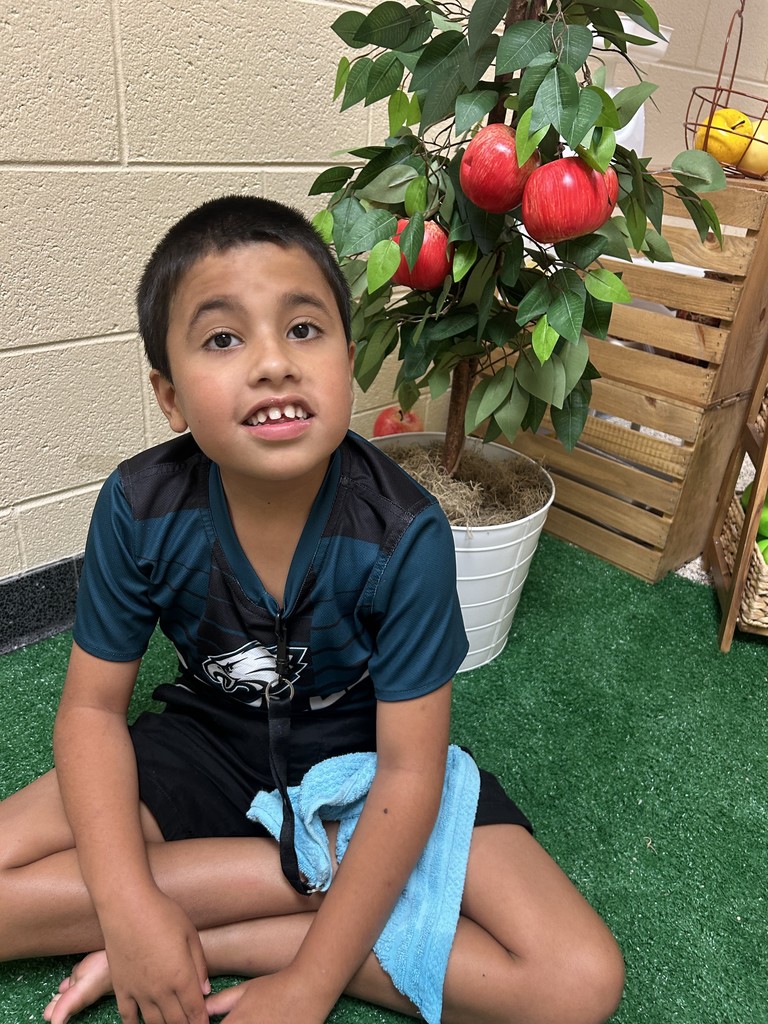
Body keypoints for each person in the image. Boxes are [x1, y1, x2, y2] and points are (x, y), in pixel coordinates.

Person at [0, 195, 624, 1024]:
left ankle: (232, 929)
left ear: (349, 359)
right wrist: (125, 903)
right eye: (223, 338)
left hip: (366, 765)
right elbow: (88, 710)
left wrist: (306, 982)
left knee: (576, 981)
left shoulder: (406, 533)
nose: (272, 363)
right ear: (170, 395)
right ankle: (308, 873)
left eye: (304, 329)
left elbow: (411, 771)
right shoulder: (137, 505)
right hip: (205, 741)